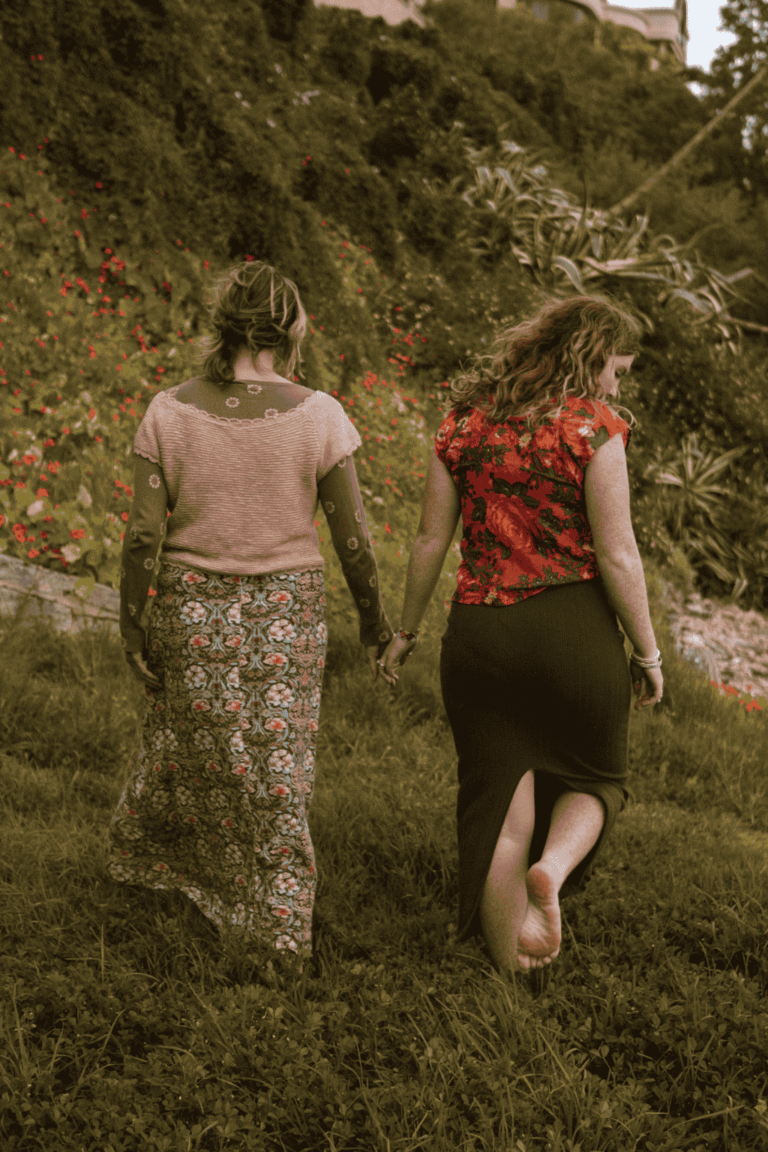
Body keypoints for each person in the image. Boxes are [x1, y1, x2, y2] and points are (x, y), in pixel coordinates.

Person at [107, 259, 398, 968]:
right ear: (291, 330)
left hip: (189, 604)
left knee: (187, 743)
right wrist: (374, 625)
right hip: (284, 613)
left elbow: (144, 535)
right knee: (275, 767)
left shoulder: (167, 412)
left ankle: (163, 874)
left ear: (221, 325)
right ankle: (274, 926)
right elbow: (354, 539)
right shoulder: (320, 416)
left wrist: (131, 619)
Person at [379, 294, 664, 976]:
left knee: (500, 803)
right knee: (598, 779)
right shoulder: (593, 429)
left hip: (482, 633)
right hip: (573, 631)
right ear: (589, 359)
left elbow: (427, 539)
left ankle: (511, 966)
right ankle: (554, 869)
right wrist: (648, 652)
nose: (617, 387)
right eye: (615, 370)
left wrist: (405, 632)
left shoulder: (463, 424)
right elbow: (619, 553)